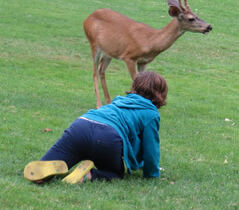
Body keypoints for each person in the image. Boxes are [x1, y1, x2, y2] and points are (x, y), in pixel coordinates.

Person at [24, 71, 168, 184]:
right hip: (108, 137)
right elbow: (151, 149)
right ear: (160, 93)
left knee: (55, 160)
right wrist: (152, 174)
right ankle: (88, 175)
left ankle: (43, 174)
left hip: (80, 126)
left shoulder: (120, 101)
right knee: (115, 175)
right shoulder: (151, 114)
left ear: (134, 87)